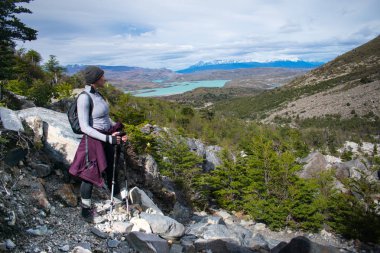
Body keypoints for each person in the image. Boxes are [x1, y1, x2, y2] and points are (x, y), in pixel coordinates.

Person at [69, 66, 127, 223]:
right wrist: (108, 139)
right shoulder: (84, 97)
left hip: (106, 136)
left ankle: (115, 199)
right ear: (95, 79)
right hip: (93, 140)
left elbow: (105, 119)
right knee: (89, 173)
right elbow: (84, 127)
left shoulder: (98, 95)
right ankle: (86, 211)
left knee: (110, 167)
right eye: (102, 76)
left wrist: (116, 131)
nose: (104, 79)